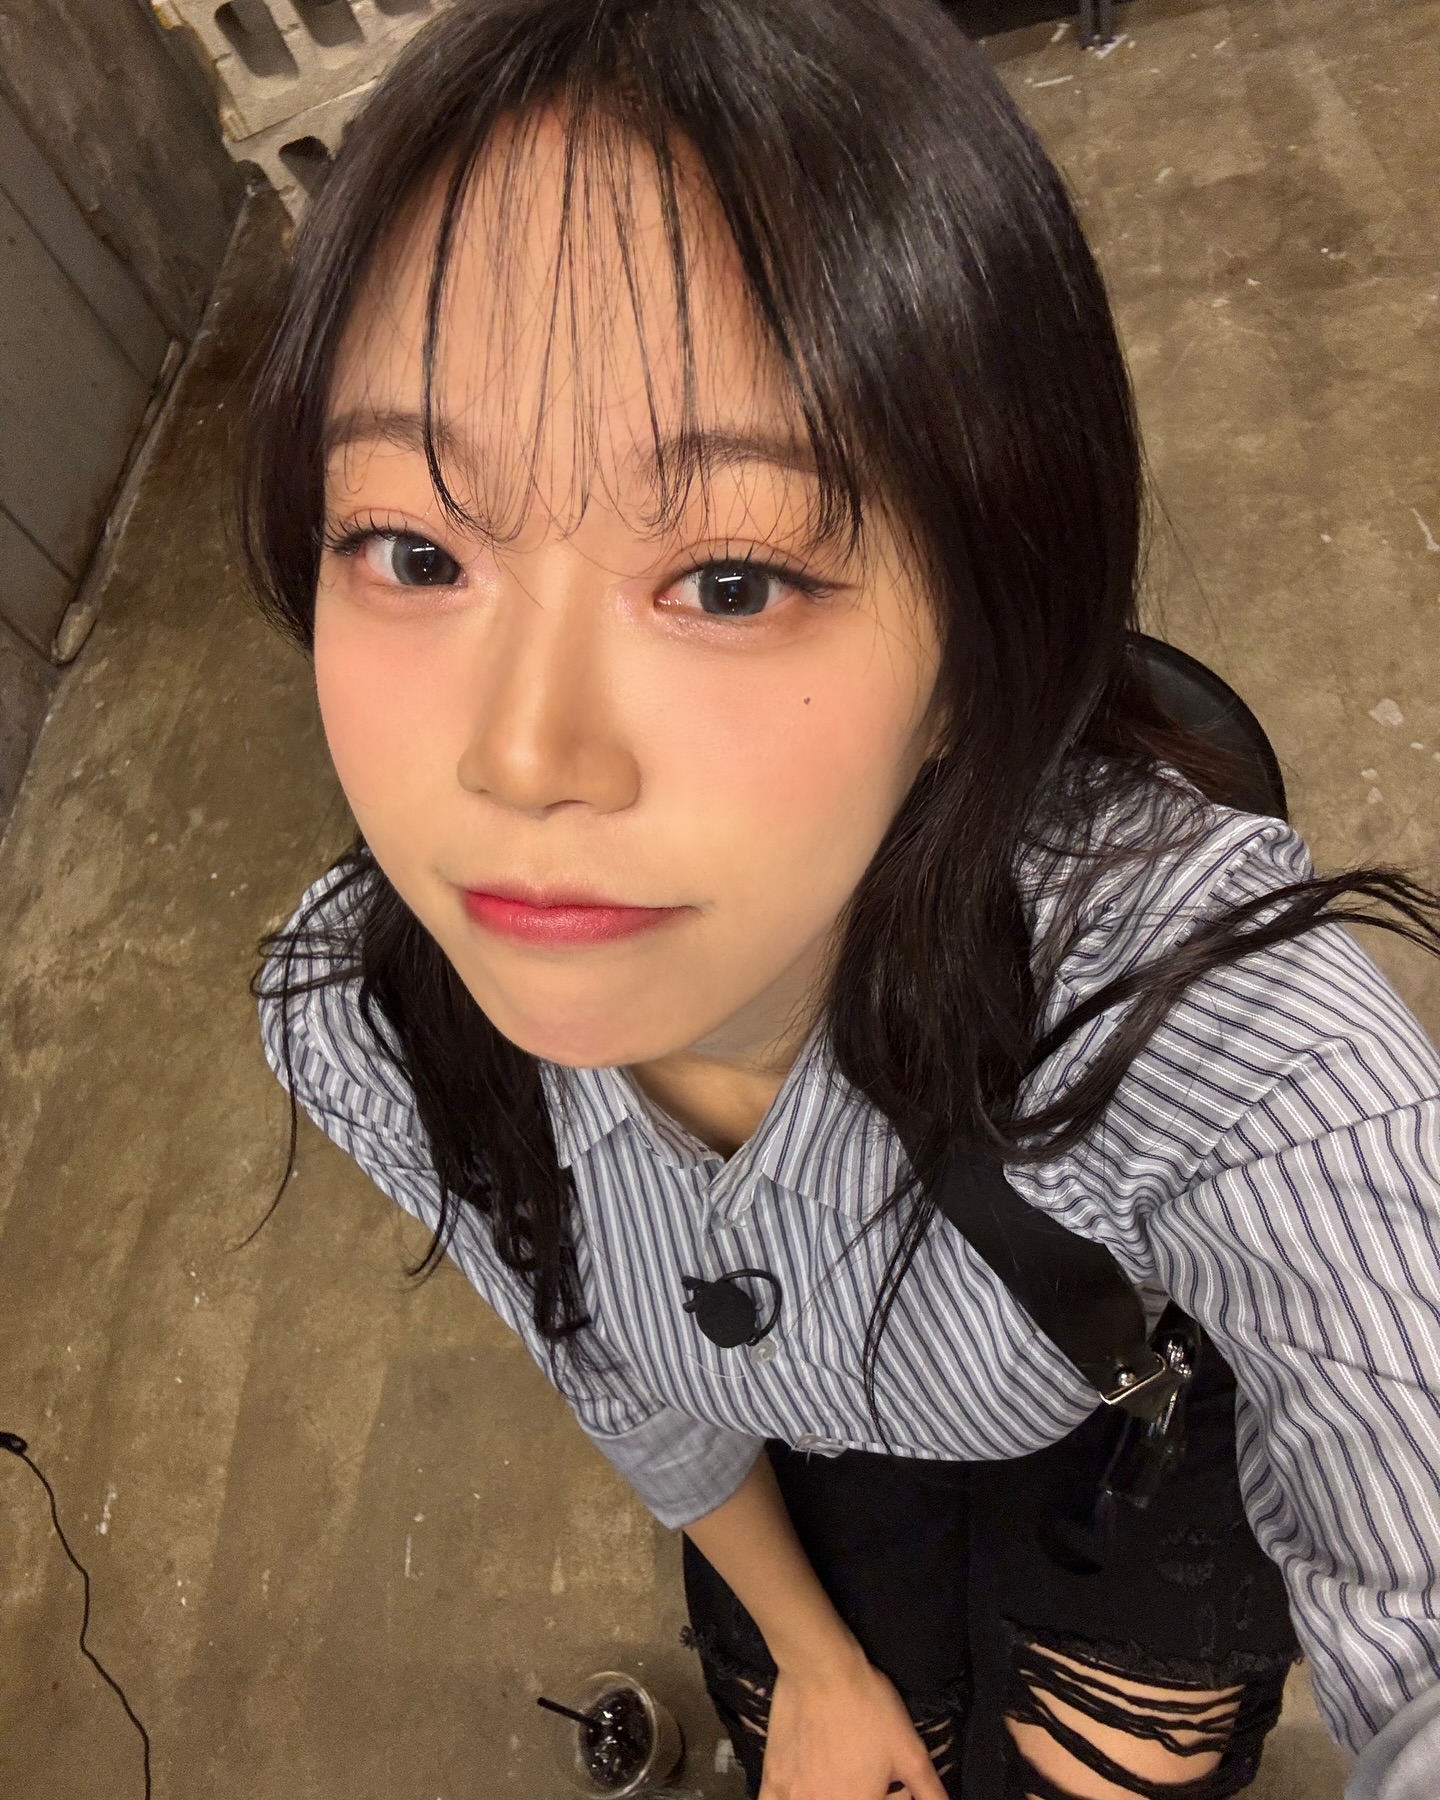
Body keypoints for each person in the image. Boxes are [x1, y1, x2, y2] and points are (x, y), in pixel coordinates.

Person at [241, 2, 1440, 1795]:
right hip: (809, 1464)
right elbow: (612, 1365)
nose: (521, 756)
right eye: (414, 550)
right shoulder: (364, 1014)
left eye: (730, 578)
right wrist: (808, 1656)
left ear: (980, 637)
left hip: (1125, 1426)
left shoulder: (1226, 1043)